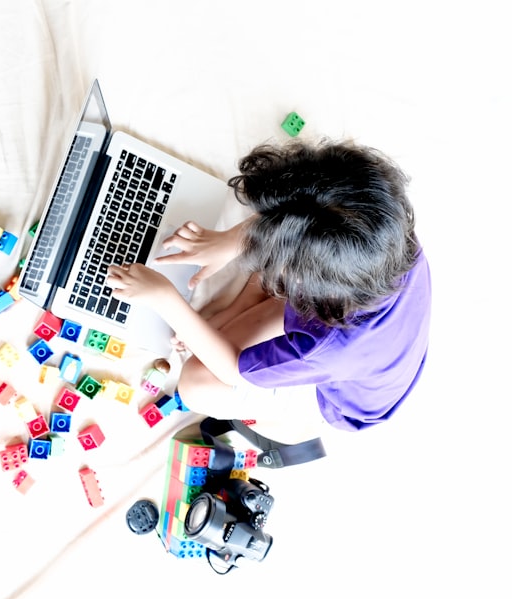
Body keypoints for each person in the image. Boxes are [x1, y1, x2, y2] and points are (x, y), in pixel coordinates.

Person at [106, 139, 431, 443]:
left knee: (195, 385)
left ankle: (286, 426)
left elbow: (233, 370)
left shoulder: (324, 347)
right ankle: (234, 311)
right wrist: (228, 242)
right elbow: (304, 218)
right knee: (245, 298)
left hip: (335, 398)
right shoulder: (391, 234)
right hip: (372, 337)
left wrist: (166, 298)